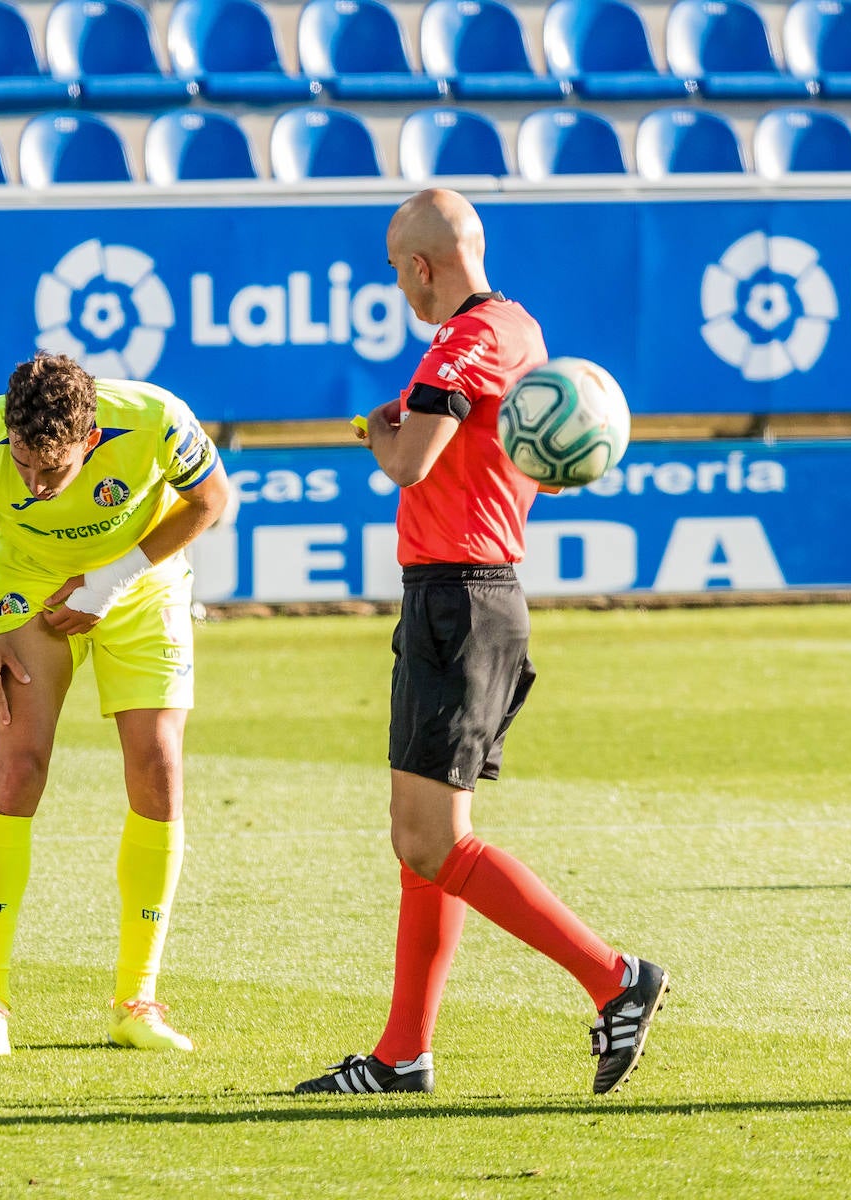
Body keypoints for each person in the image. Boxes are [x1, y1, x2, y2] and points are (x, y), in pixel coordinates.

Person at [295, 189, 669, 1098]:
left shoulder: (461, 342)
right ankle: (401, 1054)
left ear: (423, 266)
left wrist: (372, 431)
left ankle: (614, 977)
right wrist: (399, 422)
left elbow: (409, 458)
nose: (398, 284)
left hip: (458, 605)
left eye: (396, 268)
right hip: (472, 598)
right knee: (421, 841)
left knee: (433, 841)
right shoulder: (516, 327)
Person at [0, 352, 230, 1056]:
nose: (34, 484)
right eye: (22, 464)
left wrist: (114, 578)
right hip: (28, 587)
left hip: (142, 586)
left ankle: (135, 1000)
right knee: (18, 770)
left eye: (52, 470)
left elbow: (210, 501)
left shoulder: (156, 419)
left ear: (91, 438)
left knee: (159, 768)